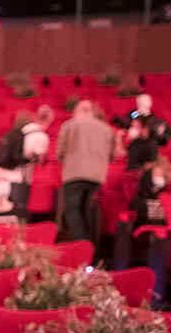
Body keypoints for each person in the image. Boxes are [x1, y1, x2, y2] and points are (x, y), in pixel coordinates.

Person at [56, 100, 115, 244]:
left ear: (77, 111)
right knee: (89, 213)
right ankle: (92, 249)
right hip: (96, 176)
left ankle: (83, 244)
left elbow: (60, 152)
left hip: (73, 175)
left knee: (72, 211)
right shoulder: (106, 129)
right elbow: (111, 155)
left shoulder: (69, 125)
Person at [132, 161, 170, 228]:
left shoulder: (162, 181)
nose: (159, 174)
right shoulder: (146, 178)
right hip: (143, 202)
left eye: (161, 173)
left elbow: (162, 195)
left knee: (165, 210)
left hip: (154, 203)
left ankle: (159, 232)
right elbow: (148, 193)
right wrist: (157, 188)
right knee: (158, 210)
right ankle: (156, 232)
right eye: (156, 173)